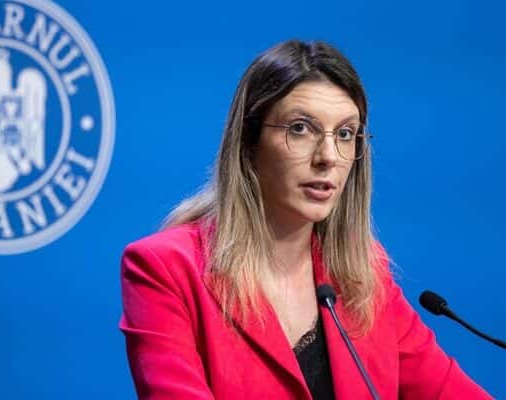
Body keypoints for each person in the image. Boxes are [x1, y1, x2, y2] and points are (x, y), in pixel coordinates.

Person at [118, 40, 492, 399]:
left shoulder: (364, 275)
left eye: (345, 133)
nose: (328, 156)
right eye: (300, 128)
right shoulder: (166, 270)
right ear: (248, 142)